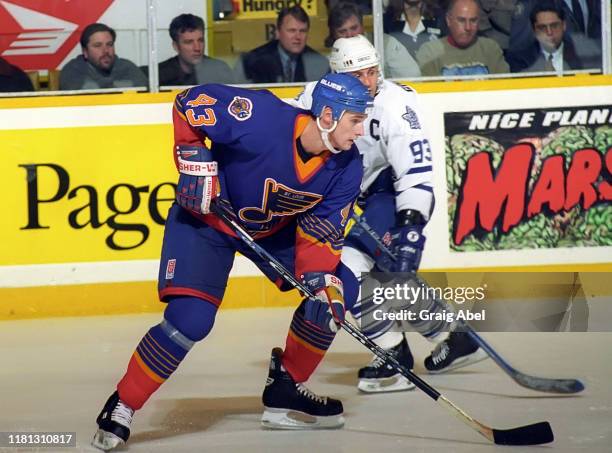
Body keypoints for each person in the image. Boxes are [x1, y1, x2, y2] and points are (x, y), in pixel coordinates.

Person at [91, 72, 373, 450]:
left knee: (338, 291)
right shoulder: (259, 115)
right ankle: (122, 403)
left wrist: (323, 284)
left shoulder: (348, 166)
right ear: (327, 116)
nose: (361, 129)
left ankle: (286, 387)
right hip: (207, 219)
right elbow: (188, 103)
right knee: (191, 319)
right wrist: (193, 155)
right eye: (355, 120)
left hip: (273, 233)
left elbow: (319, 237)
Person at [290, 35, 488, 393]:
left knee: (349, 268)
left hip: (392, 192)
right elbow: (283, 124)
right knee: (379, 274)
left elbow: (415, 173)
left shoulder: (396, 106)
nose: (368, 82)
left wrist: (410, 226)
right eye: (359, 75)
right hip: (349, 195)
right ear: (336, 75)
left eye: (373, 72)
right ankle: (451, 336)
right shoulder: (317, 95)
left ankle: (393, 355)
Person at [325, 1, 422, 78]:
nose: (349, 35)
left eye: (354, 28)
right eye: (342, 31)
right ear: (333, 34)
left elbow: (414, 76)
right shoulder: (330, 57)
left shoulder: (386, 44)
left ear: (362, 26)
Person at [234, 5, 329, 83]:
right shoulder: (252, 61)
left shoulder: (319, 63)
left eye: (303, 31)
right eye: (292, 30)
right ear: (278, 32)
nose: (298, 37)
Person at [416, 0, 510, 76]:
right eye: (461, 20)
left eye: (473, 20)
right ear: (448, 20)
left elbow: (505, 90)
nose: (468, 27)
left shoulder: (490, 49)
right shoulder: (430, 52)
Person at [148, 14, 234, 85]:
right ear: (175, 46)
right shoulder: (161, 75)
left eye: (200, 40)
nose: (197, 48)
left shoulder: (220, 70)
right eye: (189, 42)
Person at [60, 23, 147, 90]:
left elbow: (144, 88)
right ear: (85, 52)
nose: (105, 50)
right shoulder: (73, 69)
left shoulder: (126, 66)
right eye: (98, 45)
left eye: (109, 44)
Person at [506, 1, 584, 73]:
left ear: (564, 25)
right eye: (542, 28)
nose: (549, 32)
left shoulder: (582, 56)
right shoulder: (519, 60)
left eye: (554, 26)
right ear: (534, 30)